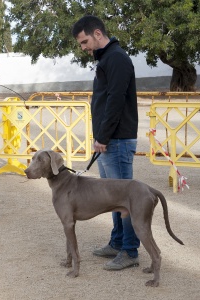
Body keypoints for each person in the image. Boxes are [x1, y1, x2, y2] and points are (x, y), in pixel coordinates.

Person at [72, 15, 140, 270]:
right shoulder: (106, 59)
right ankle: (117, 242)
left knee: (125, 199)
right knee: (112, 197)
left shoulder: (117, 59)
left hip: (117, 140)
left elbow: (115, 101)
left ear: (98, 33)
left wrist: (103, 136)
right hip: (110, 139)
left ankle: (130, 251)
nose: (84, 48)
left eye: (85, 41)